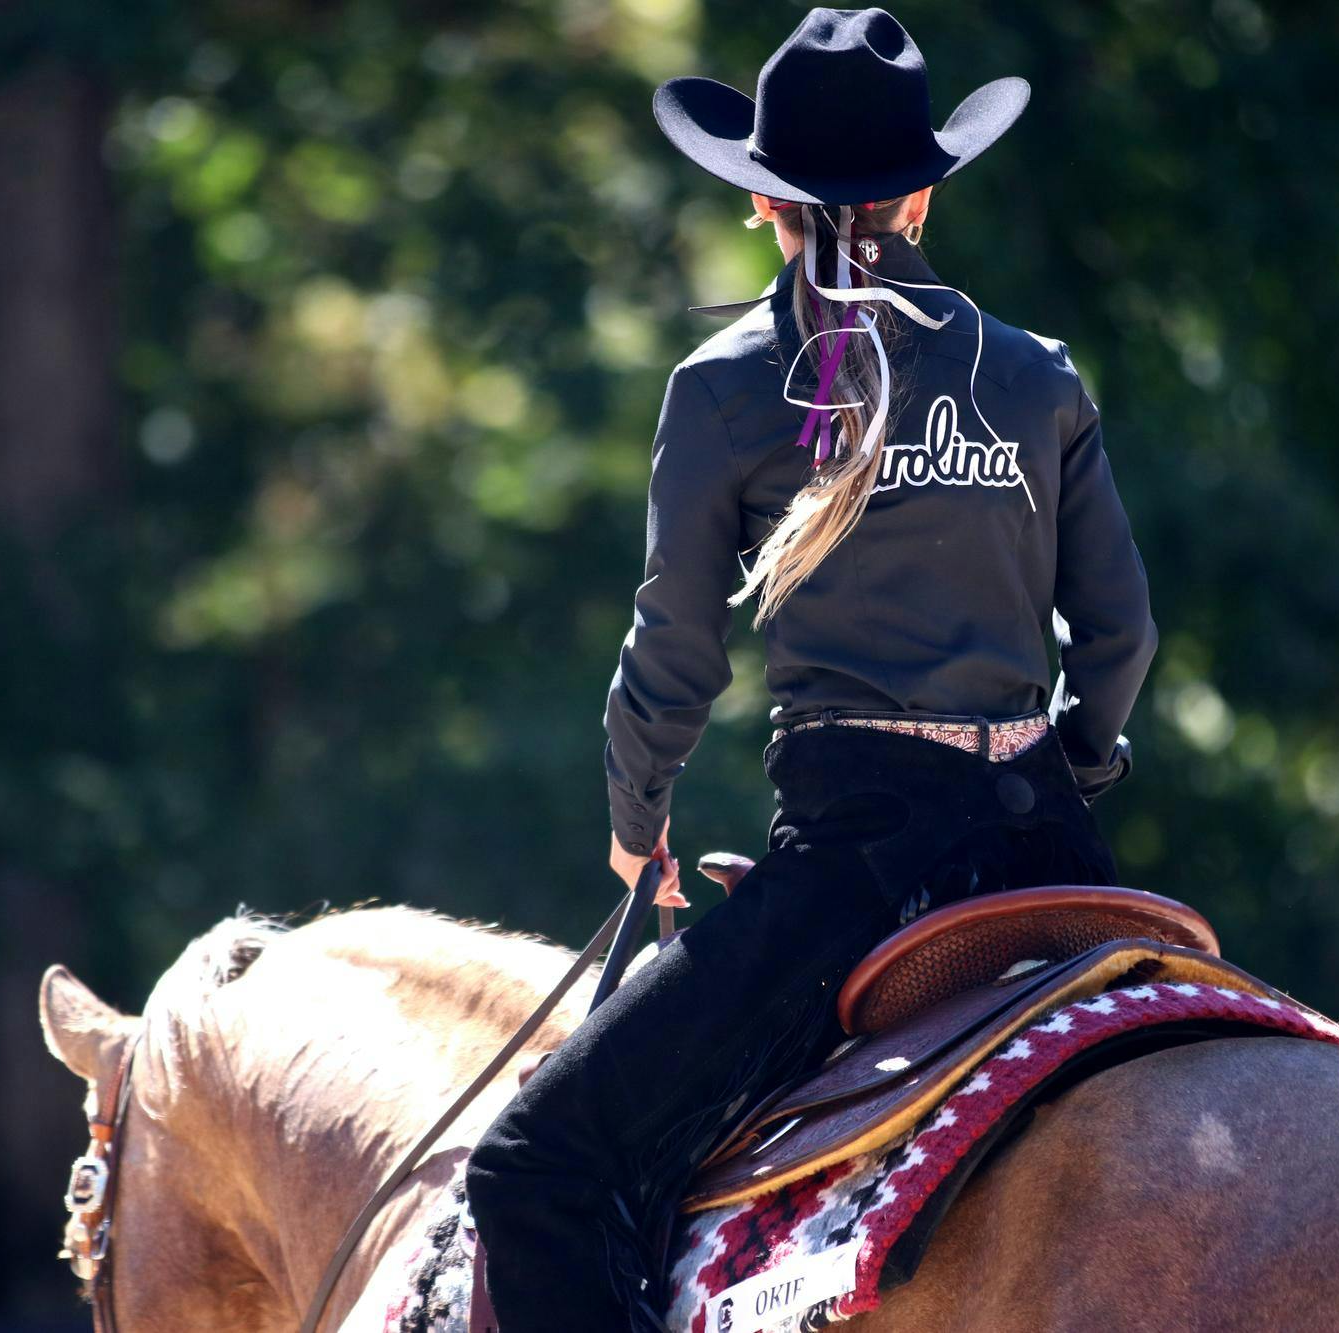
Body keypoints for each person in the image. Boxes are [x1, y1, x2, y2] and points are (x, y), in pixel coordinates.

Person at [465, 9, 1157, 1330]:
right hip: (1052, 851)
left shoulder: (728, 385)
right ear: (924, 192)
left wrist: (638, 823)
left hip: (858, 862)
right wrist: (1073, 760)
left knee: (536, 1167)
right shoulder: (1038, 375)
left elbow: (673, 650)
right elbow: (1120, 637)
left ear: (764, 201)